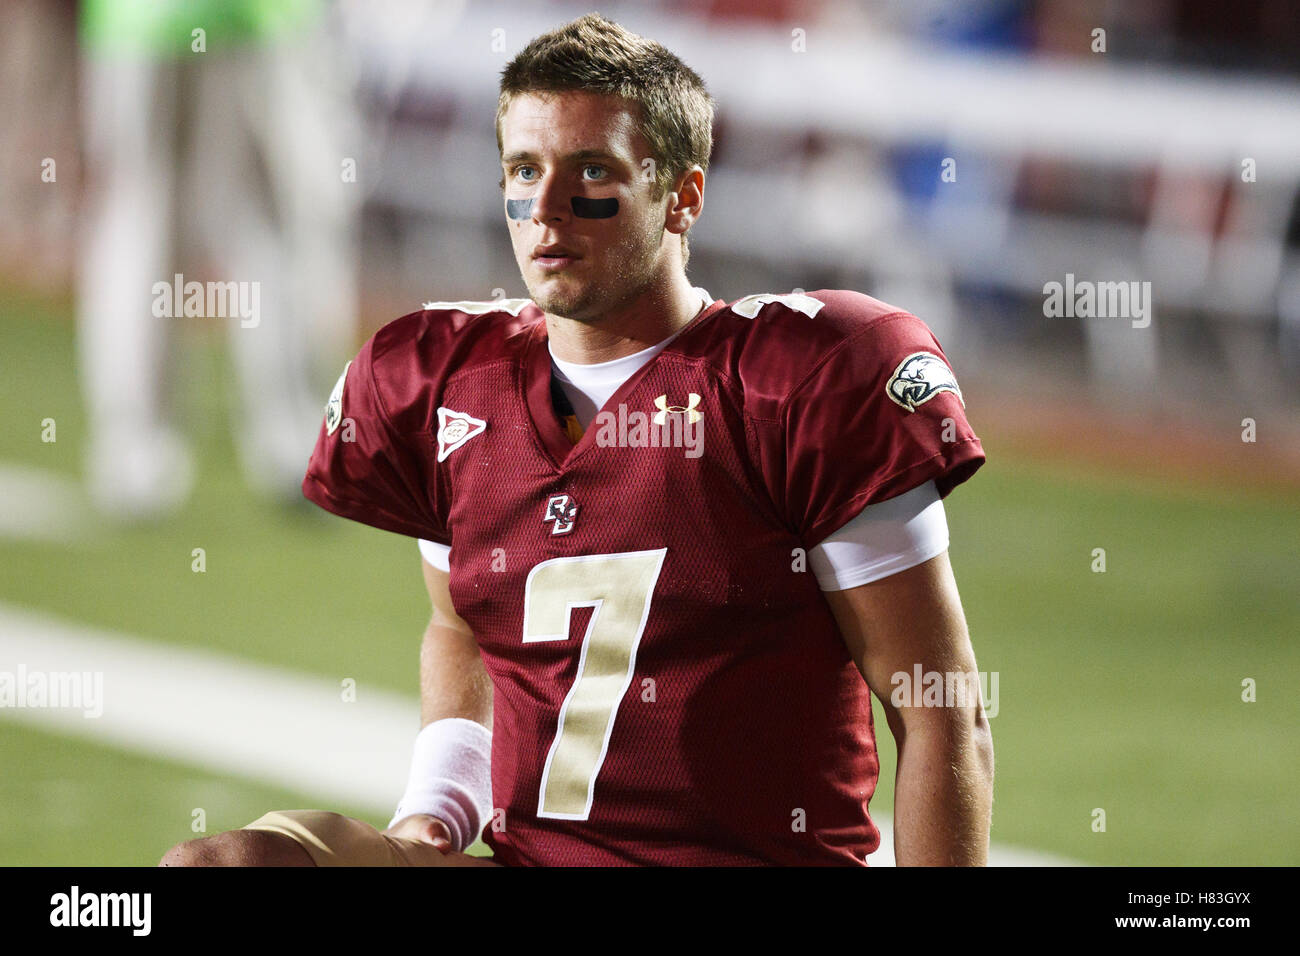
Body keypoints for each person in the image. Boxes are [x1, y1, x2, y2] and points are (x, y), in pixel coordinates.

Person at [161, 12, 993, 868]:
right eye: (525, 169)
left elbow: (939, 708)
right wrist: (435, 817)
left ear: (683, 195)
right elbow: (461, 630)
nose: (548, 207)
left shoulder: (800, 380)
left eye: (592, 171)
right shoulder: (449, 383)